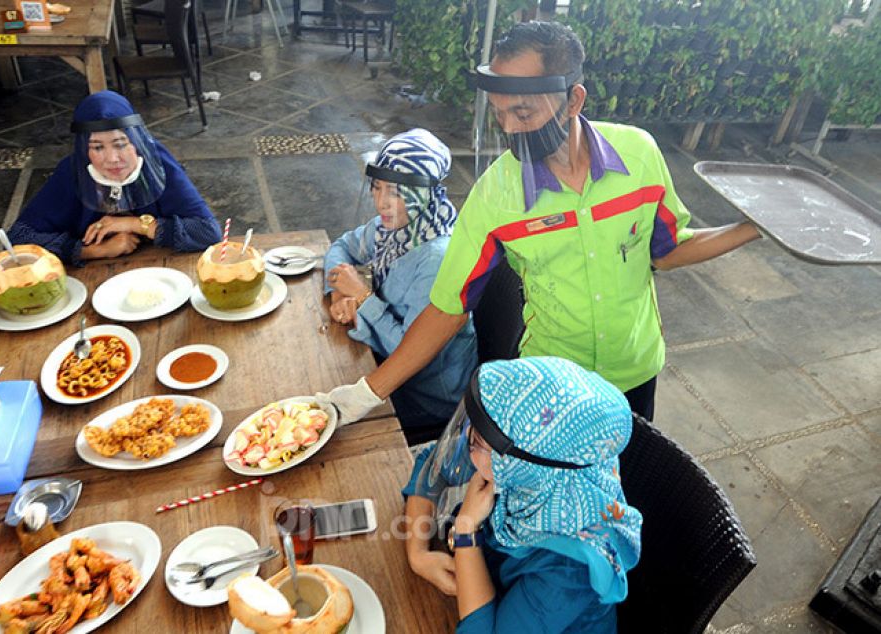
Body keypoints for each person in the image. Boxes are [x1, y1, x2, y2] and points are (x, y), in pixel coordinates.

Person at [318, 21, 761, 424]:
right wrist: (364, 394)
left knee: (623, 491)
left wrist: (753, 227)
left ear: (573, 100)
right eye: (500, 115)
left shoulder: (640, 154)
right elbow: (447, 308)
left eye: (524, 114)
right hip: (551, 384)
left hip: (636, 370)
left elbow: (666, 250)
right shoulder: (495, 194)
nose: (511, 129)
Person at [403, 356, 642, 632]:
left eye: (479, 441)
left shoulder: (569, 569)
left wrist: (467, 529)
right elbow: (433, 462)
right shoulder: (529, 463)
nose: (468, 441)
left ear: (524, 466)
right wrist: (417, 554)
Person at [323, 129, 477, 445]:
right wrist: (339, 292)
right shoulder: (392, 229)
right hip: (382, 361)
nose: (382, 203)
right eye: (377, 189)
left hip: (427, 397)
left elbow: (411, 352)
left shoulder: (436, 258)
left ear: (423, 195)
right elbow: (341, 246)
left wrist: (363, 297)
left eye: (396, 192)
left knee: (331, 429)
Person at [9, 90, 221, 265]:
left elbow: (208, 232)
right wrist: (93, 251)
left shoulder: (158, 163)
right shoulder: (72, 171)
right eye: (97, 147)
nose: (112, 159)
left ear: (136, 142)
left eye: (120, 144)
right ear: (85, 151)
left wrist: (135, 224)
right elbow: (19, 238)